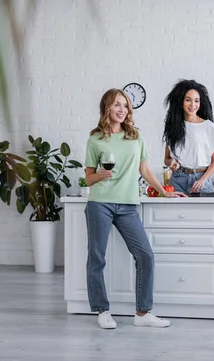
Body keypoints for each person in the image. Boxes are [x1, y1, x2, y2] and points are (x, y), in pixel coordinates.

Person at [84, 88, 186, 330]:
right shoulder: (95, 139)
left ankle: (142, 313)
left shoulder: (135, 136)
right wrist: (99, 174)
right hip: (100, 203)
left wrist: (164, 191)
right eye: (117, 105)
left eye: (126, 105)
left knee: (145, 255)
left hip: (128, 205)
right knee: (96, 258)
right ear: (106, 108)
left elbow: (145, 170)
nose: (122, 110)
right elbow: (88, 179)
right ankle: (102, 310)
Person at [162, 79, 214, 195]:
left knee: (201, 213)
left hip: (200, 180)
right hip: (178, 179)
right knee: (174, 213)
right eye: (188, 100)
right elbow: (167, 158)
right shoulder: (174, 127)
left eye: (196, 101)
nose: (193, 105)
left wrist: (203, 179)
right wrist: (171, 163)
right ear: (181, 102)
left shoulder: (208, 127)